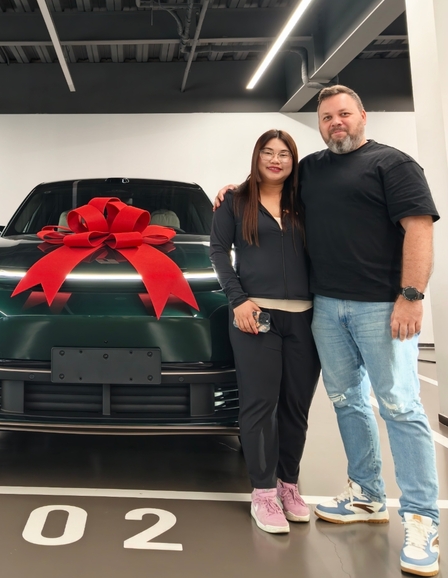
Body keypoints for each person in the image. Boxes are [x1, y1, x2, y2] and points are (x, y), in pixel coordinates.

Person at [215, 85, 440, 577]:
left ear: (363, 115)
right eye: (326, 117)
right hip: (327, 307)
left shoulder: (393, 164)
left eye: (344, 114)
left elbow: (420, 228)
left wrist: (411, 295)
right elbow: (268, 181)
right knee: (348, 401)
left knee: (400, 406)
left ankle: (422, 517)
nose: (336, 122)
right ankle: (367, 494)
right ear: (318, 125)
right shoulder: (312, 169)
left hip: (381, 307)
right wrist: (235, 189)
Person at [210, 129, 321, 534]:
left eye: (284, 154)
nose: (276, 160)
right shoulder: (235, 202)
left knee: (296, 407)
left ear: (294, 160)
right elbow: (218, 252)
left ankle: (288, 485)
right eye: (268, 153)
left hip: (305, 318)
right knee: (260, 404)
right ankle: (262, 493)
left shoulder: (306, 202)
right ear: (257, 157)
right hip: (254, 316)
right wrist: (238, 300)